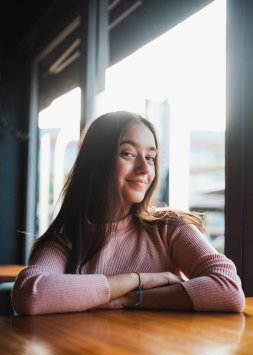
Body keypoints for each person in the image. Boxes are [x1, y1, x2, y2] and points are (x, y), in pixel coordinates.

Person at [12, 111, 245, 315]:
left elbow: (229, 289)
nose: (145, 168)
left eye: (150, 157)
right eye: (128, 153)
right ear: (96, 162)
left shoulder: (169, 228)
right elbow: (31, 295)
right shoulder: (65, 242)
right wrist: (140, 279)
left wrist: (130, 298)